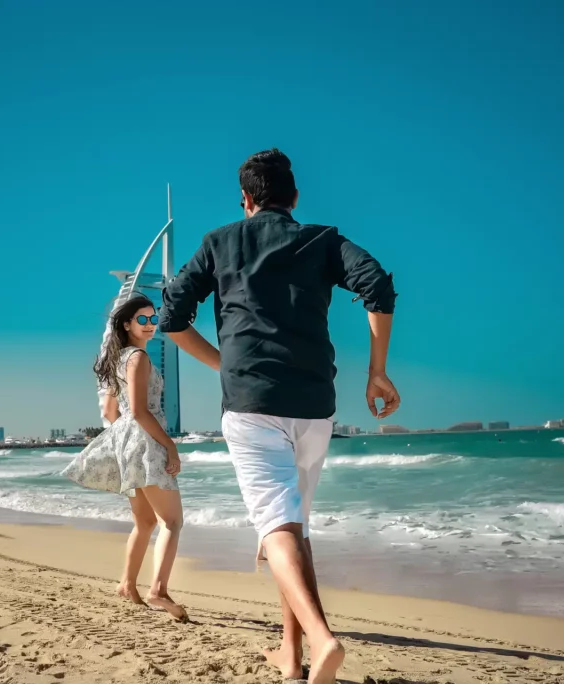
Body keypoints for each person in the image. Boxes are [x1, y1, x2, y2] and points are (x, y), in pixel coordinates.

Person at [158, 149, 400, 684]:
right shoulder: (322, 238)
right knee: (293, 527)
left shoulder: (219, 242)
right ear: (294, 198)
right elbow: (377, 286)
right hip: (315, 406)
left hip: (251, 406)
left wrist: (227, 364)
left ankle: (321, 638)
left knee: (278, 528)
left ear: (246, 199)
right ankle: (291, 657)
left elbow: (172, 316)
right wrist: (376, 372)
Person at [62, 294, 188, 621]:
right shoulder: (139, 360)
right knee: (172, 522)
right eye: (142, 320)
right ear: (127, 324)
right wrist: (169, 447)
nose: (150, 325)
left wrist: (126, 439)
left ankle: (127, 584)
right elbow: (143, 411)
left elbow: (109, 411)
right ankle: (158, 590)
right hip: (146, 443)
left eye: (153, 319)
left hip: (126, 445)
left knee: (145, 522)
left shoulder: (119, 360)